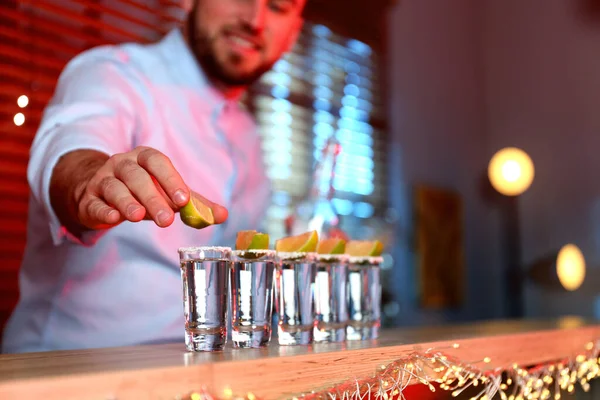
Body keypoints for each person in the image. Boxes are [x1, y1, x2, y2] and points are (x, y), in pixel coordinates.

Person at [2, 0, 306, 353]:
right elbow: (73, 149)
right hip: (67, 367)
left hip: (195, 373)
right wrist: (91, 181)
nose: (255, 20)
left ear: (292, 34)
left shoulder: (250, 135)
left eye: (279, 6)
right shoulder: (111, 73)